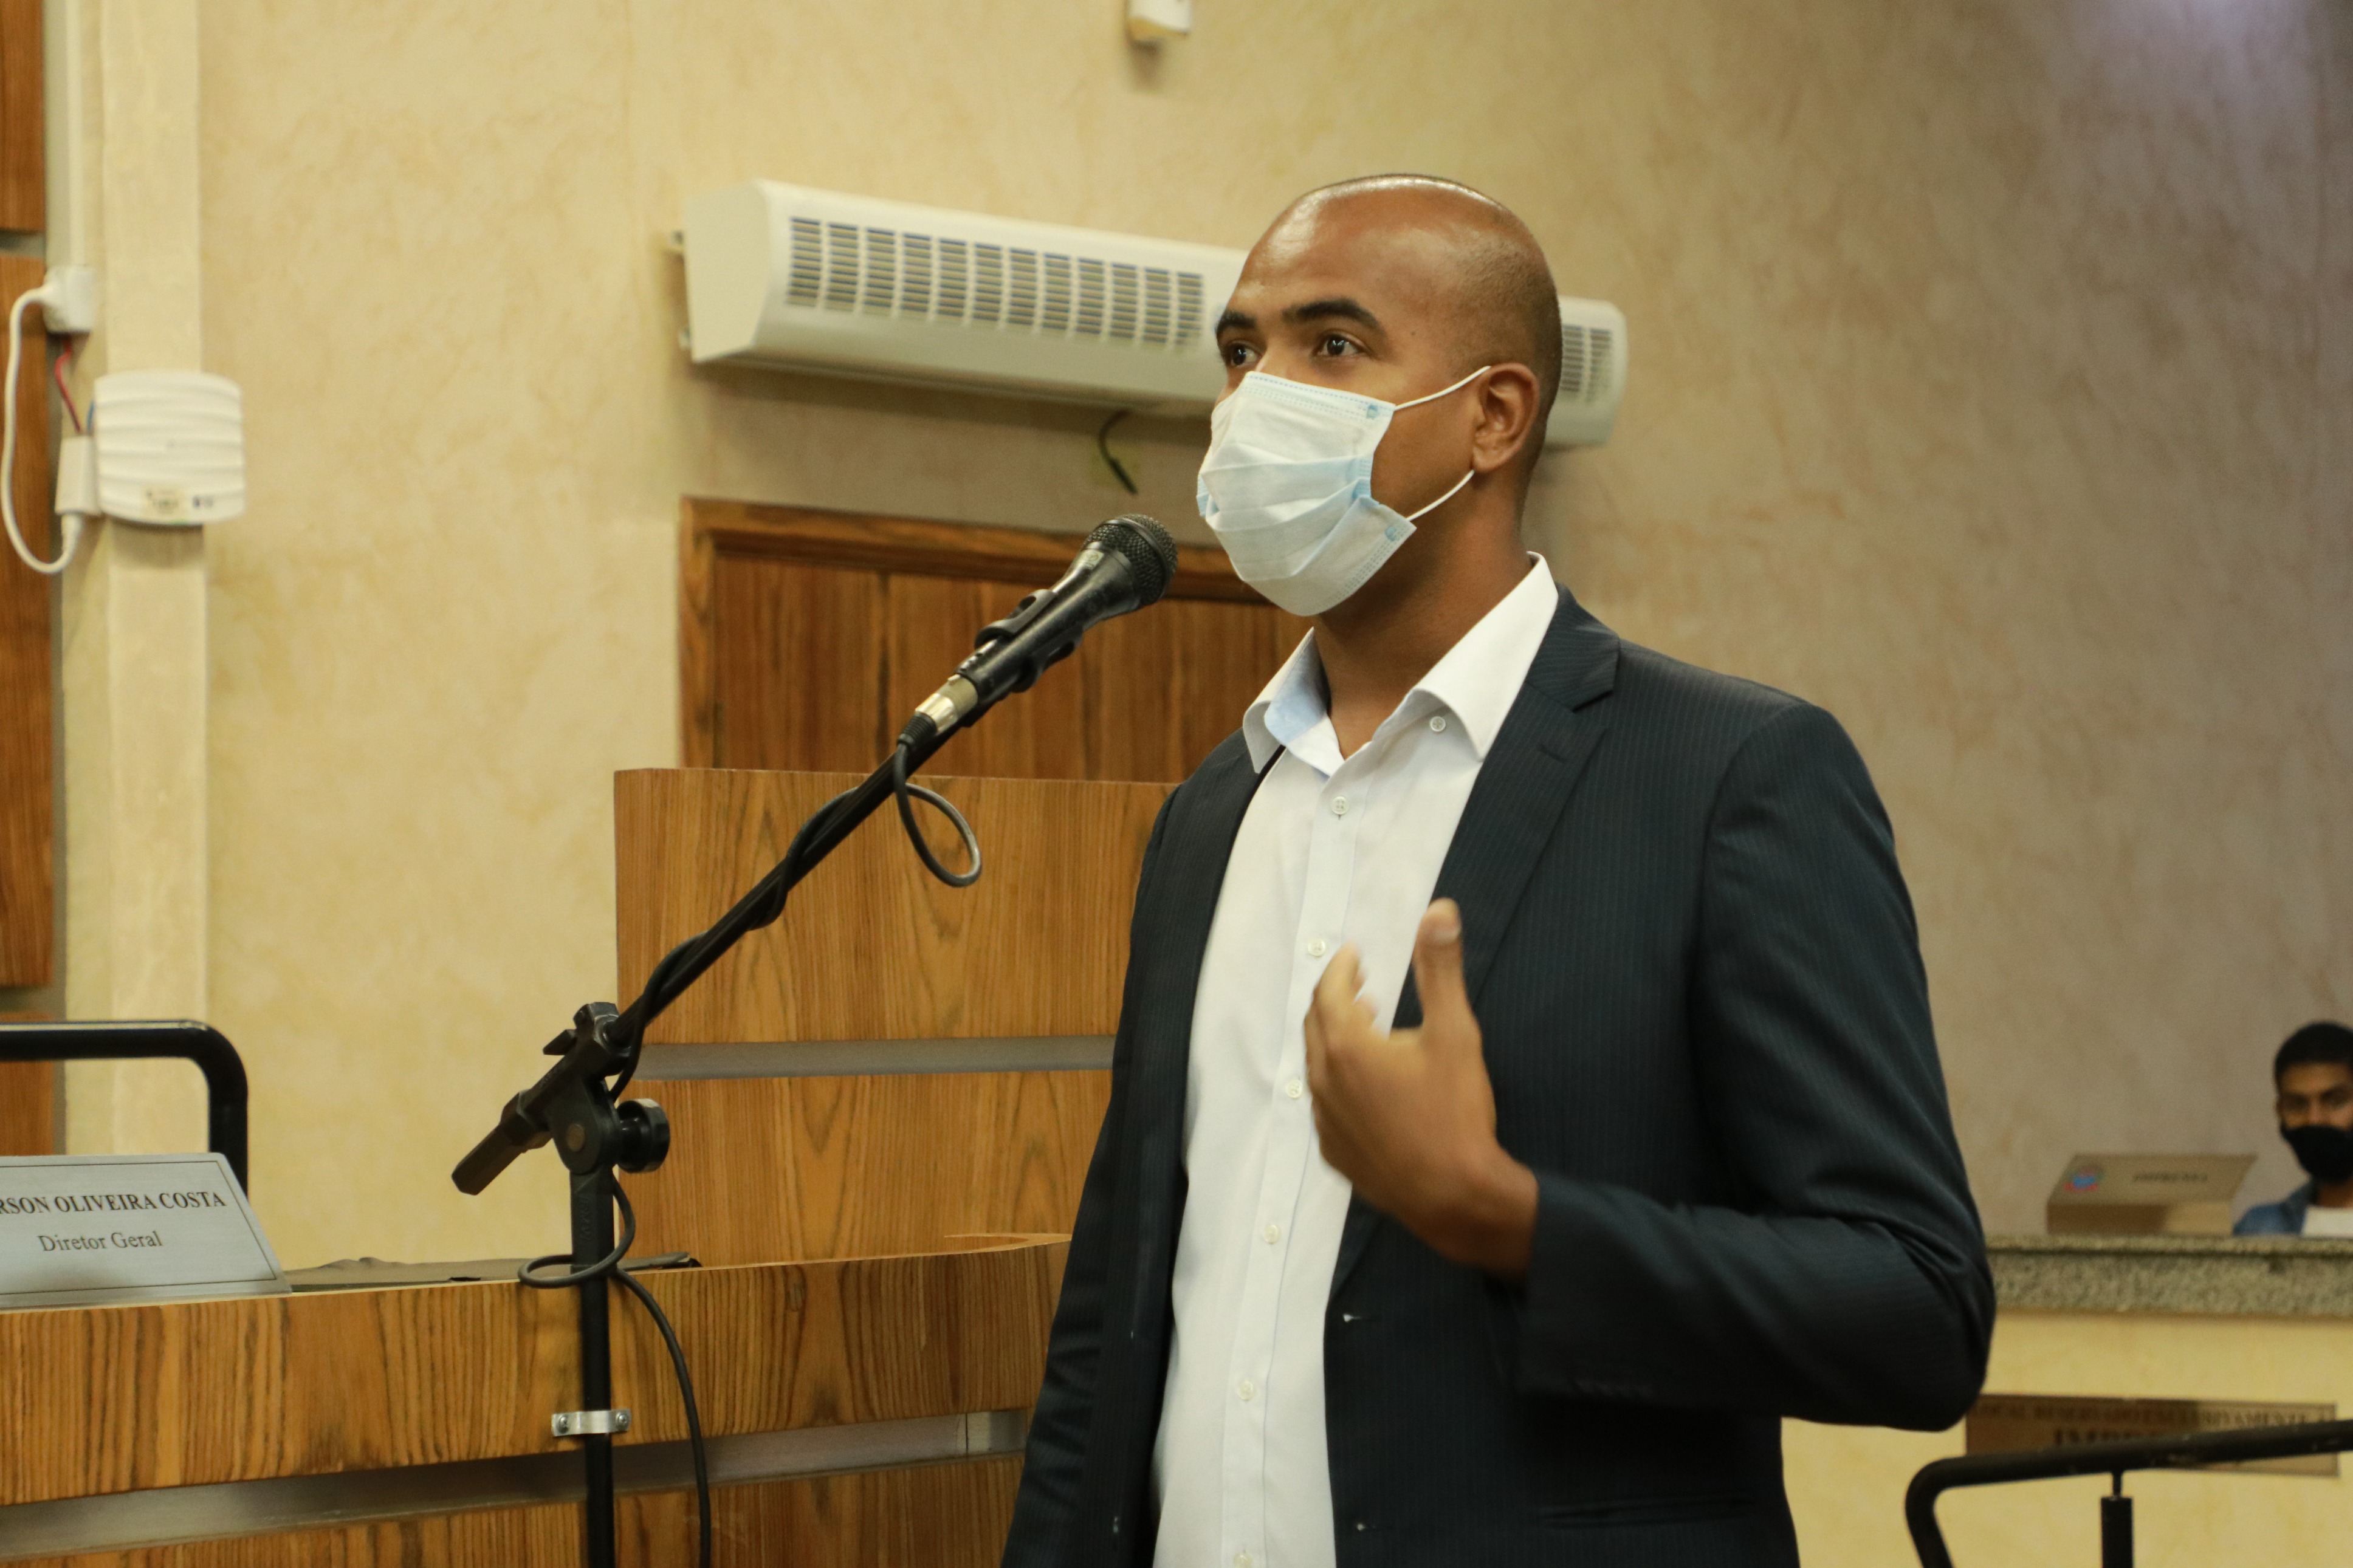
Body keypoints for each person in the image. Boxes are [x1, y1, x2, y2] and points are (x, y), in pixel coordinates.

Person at [1002, 174, 1991, 1568]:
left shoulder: (1726, 777)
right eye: (1239, 350)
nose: (1256, 397)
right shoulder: (1213, 812)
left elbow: (1918, 1309)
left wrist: (1506, 1216)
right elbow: (1114, 1319)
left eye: (1330, 345)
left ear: (1494, 415)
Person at [2234, 1022, 2353, 1237]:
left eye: (2335, 1101)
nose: (2314, 1119)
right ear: (2280, 1112)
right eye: (2297, 1105)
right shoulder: (2260, 1231)